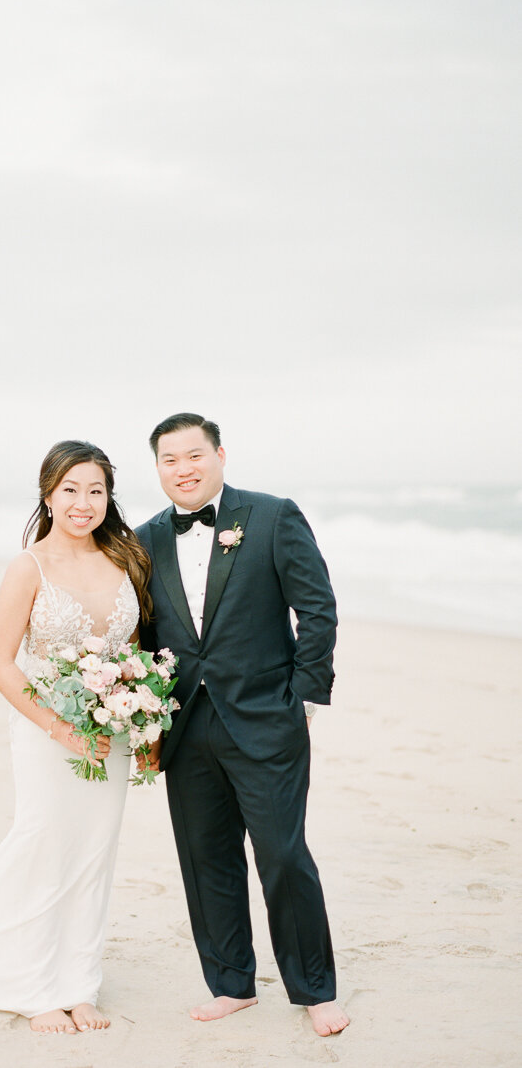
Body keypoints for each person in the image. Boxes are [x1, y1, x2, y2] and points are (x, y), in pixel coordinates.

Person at [134, 413, 350, 1038]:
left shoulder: (272, 516)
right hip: (185, 725)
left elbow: (317, 608)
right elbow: (143, 634)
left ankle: (315, 990)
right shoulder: (144, 540)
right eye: (170, 460)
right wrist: (147, 717)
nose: (184, 469)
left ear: (220, 455)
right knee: (207, 858)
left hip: (266, 719)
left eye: (194, 455)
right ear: (158, 468)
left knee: (282, 854)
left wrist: (302, 699)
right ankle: (231, 984)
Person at [0, 440, 151, 1034]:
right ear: (49, 496)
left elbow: (135, 651)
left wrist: (141, 716)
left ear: (109, 497)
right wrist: (62, 728)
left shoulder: (127, 559)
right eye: (70, 490)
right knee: (46, 842)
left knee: (95, 852)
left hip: (111, 732)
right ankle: (32, 985)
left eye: (96, 490)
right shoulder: (27, 567)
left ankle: (79, 985)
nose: (84, 503)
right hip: (46, 729)